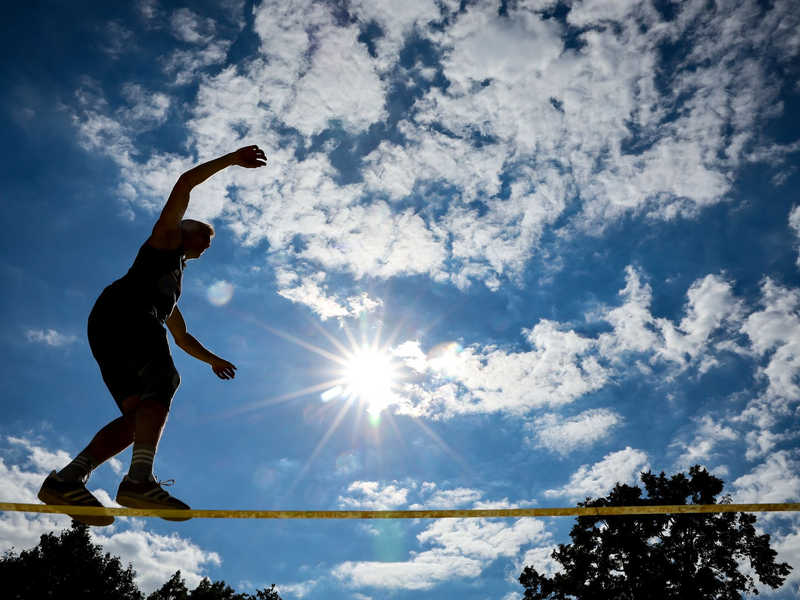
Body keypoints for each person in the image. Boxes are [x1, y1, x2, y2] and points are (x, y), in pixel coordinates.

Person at [38, 145, 267, 526]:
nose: (207, 245)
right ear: (183, 230)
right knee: (166, 377)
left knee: (137, 419)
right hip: (125, 316)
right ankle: (139, 480)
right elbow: (184, 184)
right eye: (204, 237)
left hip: (114, 330)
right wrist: (230, 160)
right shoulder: (164, 239)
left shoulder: (168, 287)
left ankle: (67, 480)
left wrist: (214, 361)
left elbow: (181, 336)